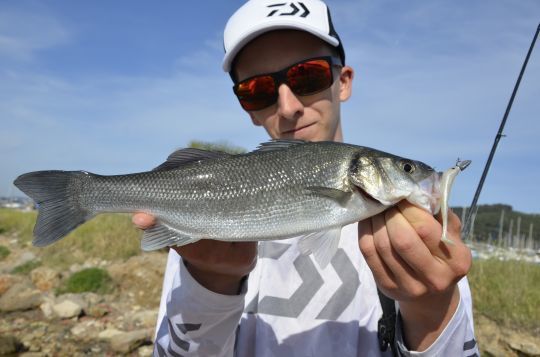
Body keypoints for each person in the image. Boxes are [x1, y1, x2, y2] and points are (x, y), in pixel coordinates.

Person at [133, 1, 479, 356]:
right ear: (245, 107)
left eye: (307, 76)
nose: (288, 106)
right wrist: (210, 285)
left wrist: (431, 309)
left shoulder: (418, 238)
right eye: (258, 91)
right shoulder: (202, 233)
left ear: (343, 81)